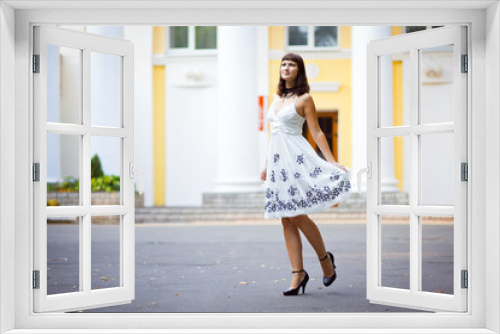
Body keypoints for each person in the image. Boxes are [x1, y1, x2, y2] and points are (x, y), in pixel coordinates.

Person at [260, 53, 352, 296]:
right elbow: (274, 135)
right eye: (283, 64)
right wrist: (266, 164)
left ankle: (325, 260)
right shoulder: (276, 97)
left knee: (297, 214)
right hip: (278, 162)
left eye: (291, 64)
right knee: (285, 217)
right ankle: (297, 274)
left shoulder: (305, 99)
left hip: (296, 158)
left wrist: (331, 162)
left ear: (299, 70)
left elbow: (317, 132)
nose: (286, 67)